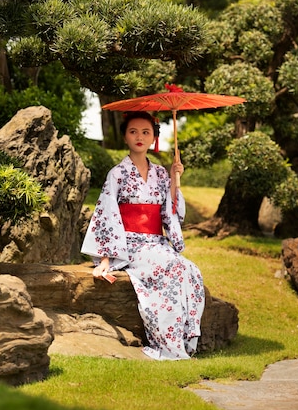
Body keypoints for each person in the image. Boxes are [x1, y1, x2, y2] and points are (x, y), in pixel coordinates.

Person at [81, 111, 205, 360]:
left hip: (156, 242)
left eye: (146, 132)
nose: (139, 136)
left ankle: (184, 341)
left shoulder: (160, 173)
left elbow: (170, 211)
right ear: (125, 137)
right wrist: (106, 258)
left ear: (153, 138)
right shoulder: (117, 174)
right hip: (130, 244)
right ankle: (168, 346)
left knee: (190, 270)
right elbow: (107, 214)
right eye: (133, 131)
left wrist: (173, 180)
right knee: (172, 267)